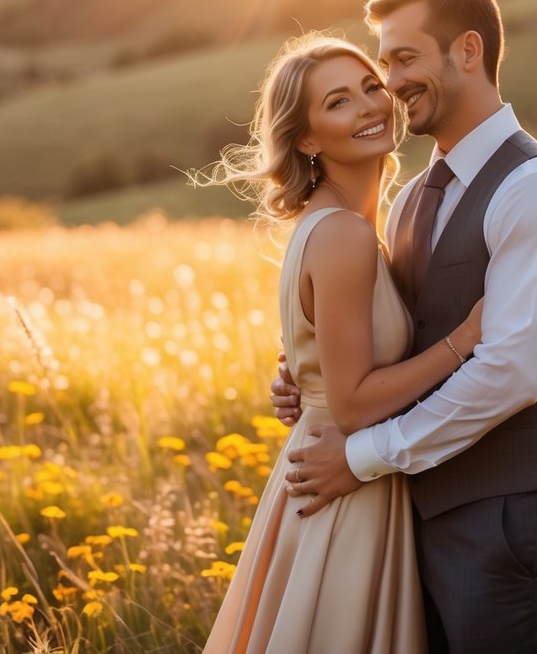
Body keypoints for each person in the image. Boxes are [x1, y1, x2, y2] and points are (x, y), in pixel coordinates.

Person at [271, 0, 537, 653]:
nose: (388, 83)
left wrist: (361, 454)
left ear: (468, 52)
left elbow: (507, 376)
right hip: (412, 511)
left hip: (508, 516)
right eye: (381, 62)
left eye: (401, 59)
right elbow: (393, 339)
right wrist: (310, 381)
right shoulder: (415, 194)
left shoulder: (536, 191)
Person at [199, 33, 484, 653]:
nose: (369, 107)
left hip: (339, 466)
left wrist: (300, 381)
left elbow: (327, 370)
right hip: (342, 486)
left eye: (370, 87)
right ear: (306, 139)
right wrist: (464, 340)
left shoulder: (344, 228)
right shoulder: (342, 237)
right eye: (338, 102)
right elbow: (352, 404)